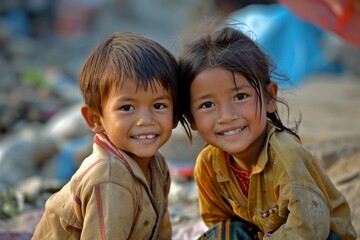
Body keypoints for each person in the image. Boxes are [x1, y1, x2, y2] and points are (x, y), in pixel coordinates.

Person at [177, 25, 357, 239]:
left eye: (240, 96)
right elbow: (218, 222)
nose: (226, 116)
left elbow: (310, 226)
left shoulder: (286, 155)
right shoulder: (209, 165)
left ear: (269, 98)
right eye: (207, 105)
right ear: (191, 119)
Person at [32, 32, 179, 239]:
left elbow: (161, 233)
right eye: (127, 107)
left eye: (159, 105)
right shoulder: (108, 178)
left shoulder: (158, 165)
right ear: (95, 119)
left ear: (175, 115)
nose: (145, 120)